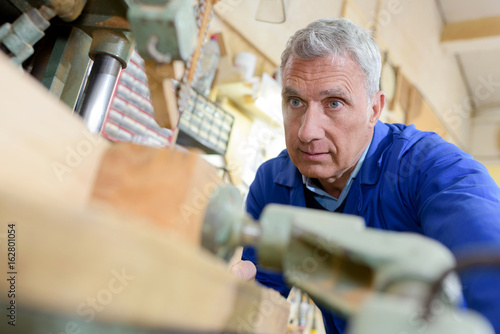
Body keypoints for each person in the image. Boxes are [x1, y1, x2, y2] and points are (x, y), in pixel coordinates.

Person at [230, 18, 500, 333]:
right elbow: (261, 295)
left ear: (374, 109)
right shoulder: (272, 185)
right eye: (295, 102)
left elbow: (491, 275)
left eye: (333, 103)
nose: (307, 131)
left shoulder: (436, 171)